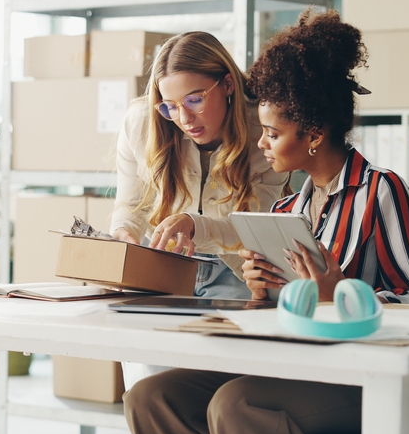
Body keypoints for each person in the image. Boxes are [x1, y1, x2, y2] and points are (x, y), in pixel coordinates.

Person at [123, 10, 409, 434]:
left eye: (271, 133)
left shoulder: (381, 191)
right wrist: (261, 291)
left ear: (312, 134)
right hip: (297, 363)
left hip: (364, 374)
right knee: (152, 397)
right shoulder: (287, 211)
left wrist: (339, 294)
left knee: (238, 405)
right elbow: (281, 312)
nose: (261, 145)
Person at [110, 31, 288, 301]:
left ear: (227, 84)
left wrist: (194, 225)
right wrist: (124, 235)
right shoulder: (141, 123)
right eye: (170, 106)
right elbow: (130, 206)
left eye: (195, 100)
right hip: (162, 258)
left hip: (234, 267)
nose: (183, 118)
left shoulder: (265, 132)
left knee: (228, 338)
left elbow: (253, 229)